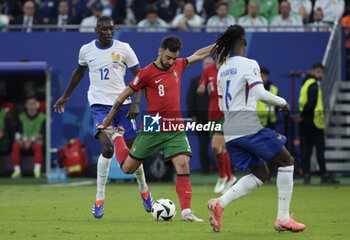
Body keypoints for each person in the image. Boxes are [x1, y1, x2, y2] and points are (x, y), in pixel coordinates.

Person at [99, 35, 215, 222]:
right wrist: (109, 117)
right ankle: (117, 136)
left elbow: (198, 55)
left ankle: (186, 213)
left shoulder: (178, 64)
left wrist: (218, 44)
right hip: (153, 125)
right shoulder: (146, 73)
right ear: (160, 51)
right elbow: (125, 93)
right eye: (168, 57)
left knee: (183, 164)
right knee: (128, 168)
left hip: (175, 125)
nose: (171, 62)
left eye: (174, 57)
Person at [207, 24, 306, 233]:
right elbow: (260, 93)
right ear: (244, 41)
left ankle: (220, 203)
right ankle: (283, 219)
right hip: (247, 125)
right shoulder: (249, 63)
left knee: (261, 174)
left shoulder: (222, 69)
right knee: (287, 162)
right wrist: (282, 102)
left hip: (230, 130)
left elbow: (222, 101)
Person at [53, 16, 152, 219]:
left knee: (134, 154)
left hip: (124, 105)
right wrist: (65, 96)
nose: (109, 32)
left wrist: (136, 102)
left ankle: (144, 190)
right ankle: (99, 198)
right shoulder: (86, 50)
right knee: (107, 148)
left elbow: (140, 76)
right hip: (99, 106)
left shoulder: (124, 48)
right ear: (96, 30)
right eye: (105, 28)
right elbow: (79, 72)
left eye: (112, 28)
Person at [296, 63, 339, 184]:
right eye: (318, 72)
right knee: (319, 150)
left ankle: (306, 175)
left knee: (306, 150)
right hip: (314, 122)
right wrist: (302, 115)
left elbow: (304, 103)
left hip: (304, 122)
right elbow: (311, 103)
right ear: (313, 71)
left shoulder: (305, 84)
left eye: (322, 72)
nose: (321, 74)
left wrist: (301, 116)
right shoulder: (314, 85)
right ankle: (324, 175)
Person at [197, 61, 237, 193]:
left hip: (226, 114)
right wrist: (201, 88)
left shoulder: (230, 70)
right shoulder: (208, 70)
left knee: (215, 146)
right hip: (212, 114)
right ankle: (229, 177)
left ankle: (222, 176)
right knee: (222, 148)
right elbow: (202, 85)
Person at [186, 57, 214, 174]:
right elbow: (190, 99)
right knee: (202, 146)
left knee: (220, 145)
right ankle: (205, 169)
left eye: (210, 64)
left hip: (217, 119)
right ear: (202, 66)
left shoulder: (219, 80)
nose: (207, 66)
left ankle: (224, 169)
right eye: (205, 64)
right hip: (201, 120)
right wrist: (192, 115)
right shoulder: (195, 81)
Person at [11, 95, 45, 178]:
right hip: (24, 141)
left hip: (36, 141)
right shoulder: (21, 117)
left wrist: (31, 141)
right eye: (29, 104)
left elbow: (42, 134)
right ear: (26, 105)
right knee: (15, 145)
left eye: (33, 103)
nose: (31, 106)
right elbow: (19, 132)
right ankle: (17, 171)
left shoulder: (43, 117)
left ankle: (37, 171)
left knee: (37, 145)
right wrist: (24, 140)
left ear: (37, 105)